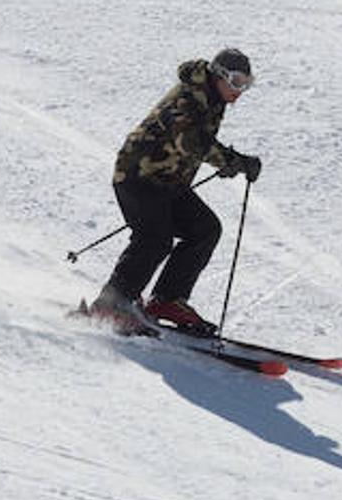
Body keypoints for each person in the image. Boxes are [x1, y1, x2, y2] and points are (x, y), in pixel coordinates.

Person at [88, 48, 263, 337]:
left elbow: (200, 143)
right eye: (235, 81)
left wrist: (231, 162)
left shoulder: (214, 97)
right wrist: (233, 161)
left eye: (246, 83)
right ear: (218, 75)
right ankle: (110, 305)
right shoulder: (188, 98)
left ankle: (166, 301)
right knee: (154, 239)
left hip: (169, 181)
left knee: (204, 229)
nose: (240, 90)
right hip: (139, 176)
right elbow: (192, 142)